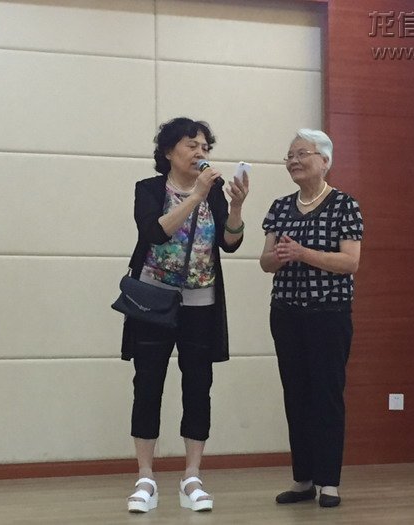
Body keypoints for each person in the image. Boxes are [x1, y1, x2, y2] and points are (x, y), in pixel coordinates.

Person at [121, 117, 249, 513]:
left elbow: (230, 242)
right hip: (153, 301)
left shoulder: (214, 193)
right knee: (148, 384)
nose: (200, 152)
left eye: (205, 147)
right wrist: (195, 195)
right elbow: (155, 233)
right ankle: (145, 477)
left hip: (200, 302)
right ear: (168, 151)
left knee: (198, 385)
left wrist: (236, 206)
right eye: (191, 145)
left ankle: (192, 476)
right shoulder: (149, 189)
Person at [259, 129, 363, 508]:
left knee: (326, 396)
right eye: (290, 155)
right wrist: (280, 257)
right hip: (286, 314)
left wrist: (303, 253)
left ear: (325, 160)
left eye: (302, 153)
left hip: (329, 315)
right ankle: (302, 479)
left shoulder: (344, 205)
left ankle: (328, 482)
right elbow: (265, 262)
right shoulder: (280, 207)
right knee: (296, 395)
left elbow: (350, 262)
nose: (294, 161)